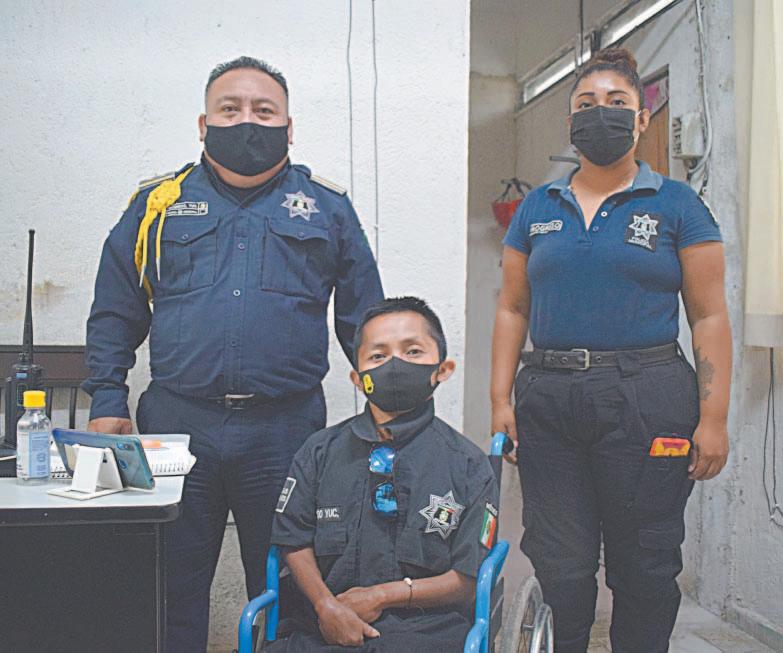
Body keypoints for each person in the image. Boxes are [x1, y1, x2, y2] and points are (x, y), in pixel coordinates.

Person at [82, 56, 383, 652]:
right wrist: (108, 397)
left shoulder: (327, 207)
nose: (247, 121)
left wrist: (385, 405)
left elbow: (365, 320)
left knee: (289, 583)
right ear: (203, 124)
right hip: (178, 423)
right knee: (170, 581)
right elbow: (116, 306)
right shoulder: (157, 204)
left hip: (286, 429)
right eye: (230, 108)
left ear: (289, 128)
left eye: (264, 111)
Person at [490, 48, 731, 653]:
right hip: (549, 399)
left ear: (642, 119)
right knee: (561, 564)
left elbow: (708, 315)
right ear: (570, 120)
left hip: (648, 398)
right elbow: (512, 307)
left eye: (617, 102)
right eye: (587, 103)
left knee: (645, 562)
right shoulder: (536, 208)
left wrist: (715, 417)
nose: (601, 113)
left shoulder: (677, 205)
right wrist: (500, 400)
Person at [267, 297, 499, 652]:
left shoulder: (468, 465)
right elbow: (293, 541)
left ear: (443, 369)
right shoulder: (319, 452)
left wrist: (383, 595)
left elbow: (468, 579)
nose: (394, 364)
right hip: (323, 626)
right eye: (378, 356)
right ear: (357, 379)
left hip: (427, 631)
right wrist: (325, 606)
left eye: (413, 351)